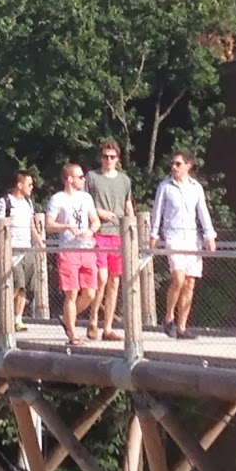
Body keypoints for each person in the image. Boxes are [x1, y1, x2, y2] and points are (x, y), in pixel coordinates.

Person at [149, 151, 217, 339]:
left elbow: (202, 212)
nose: (174, 167)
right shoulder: (165, 187)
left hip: (192, 238)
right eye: (173, 164)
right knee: (178, 278)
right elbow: (157, 211)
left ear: (188, 165)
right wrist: (154, 234)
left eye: (178, 164)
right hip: (174, 237)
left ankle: (182, 327)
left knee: (190, 282)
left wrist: (209, 235)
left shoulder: (196, 188)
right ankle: (169, 316)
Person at [46, 163, 101, 344]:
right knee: (71, 293)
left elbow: (95, 221)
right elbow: (49, 224)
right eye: (80, 177)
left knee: (90, 293)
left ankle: (67, 318)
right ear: (70, 178)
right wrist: (66, 226)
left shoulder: (86, 198)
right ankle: (72, 333)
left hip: (87, 248)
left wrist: (90, 231)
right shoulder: (57, 199)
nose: (83, 179)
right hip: (68, 250)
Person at [85, 142, 133, 341]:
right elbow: (84, 202)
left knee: (115, 281)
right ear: (100, 157)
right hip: (100, 233)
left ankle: (108, 327)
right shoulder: (92, 177)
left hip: (118, 235)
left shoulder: (124, 180)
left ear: (118, 159)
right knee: (101, 278)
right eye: (105, 156)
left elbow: (128, 204)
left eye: (112, 157)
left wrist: (132, 228)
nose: (109, 160)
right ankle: (93, 319)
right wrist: (98, 212)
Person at [0, 169, 44, 331]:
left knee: (24, 287)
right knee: (16, 284)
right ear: (19, 184)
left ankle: (17, 318)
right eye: (29, 184)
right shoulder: (4, 202)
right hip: (11, 251)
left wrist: (40, 245)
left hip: (26, 249)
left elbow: (32, 226)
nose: (32, 187)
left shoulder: (28, 203)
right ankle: (3, 313)